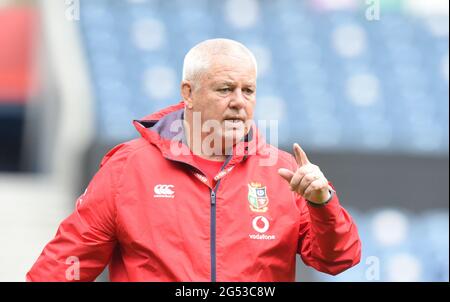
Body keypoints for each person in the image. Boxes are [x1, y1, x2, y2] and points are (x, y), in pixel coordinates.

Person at [27, 38, 361, 282]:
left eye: (248, 90)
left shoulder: (284, 172)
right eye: (225, 89)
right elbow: (59, 270)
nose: (239, 102)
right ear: (188, 93)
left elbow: (338, 259)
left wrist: (322, 203)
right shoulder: (127, 170)